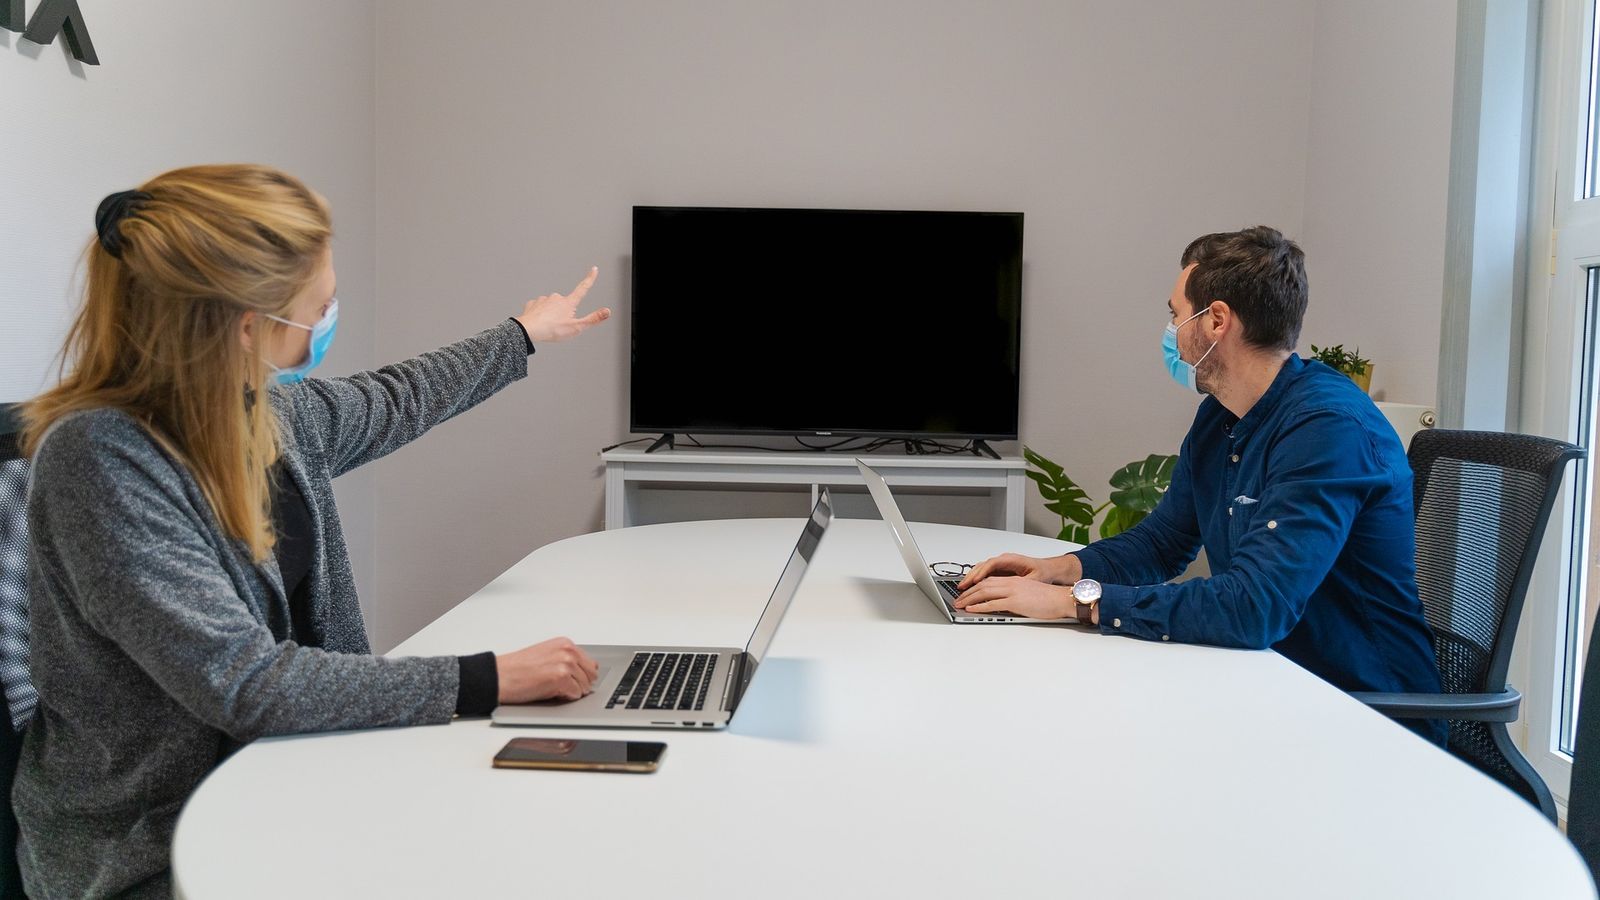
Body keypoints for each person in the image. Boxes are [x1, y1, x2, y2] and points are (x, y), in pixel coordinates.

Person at [15, 164, 609, 898]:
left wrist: (522, 335)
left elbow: (396, 398)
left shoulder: (265, 414)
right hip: (159, 842)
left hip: (295, 775)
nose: (332, 317)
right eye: (320, 306)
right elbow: (246, 685)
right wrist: (488, 678)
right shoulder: (102, 462)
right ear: (247, 327)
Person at [954, 226, 1445, 745]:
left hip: (1367, 720)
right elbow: (1162, 544)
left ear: (1215, 320)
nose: (1171, 330)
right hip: (1273, 685)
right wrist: (1056, 571)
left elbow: (1255, 606)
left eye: (1174, 314)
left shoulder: (1329, 428)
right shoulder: (1221, 417)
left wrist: (1072, 602)